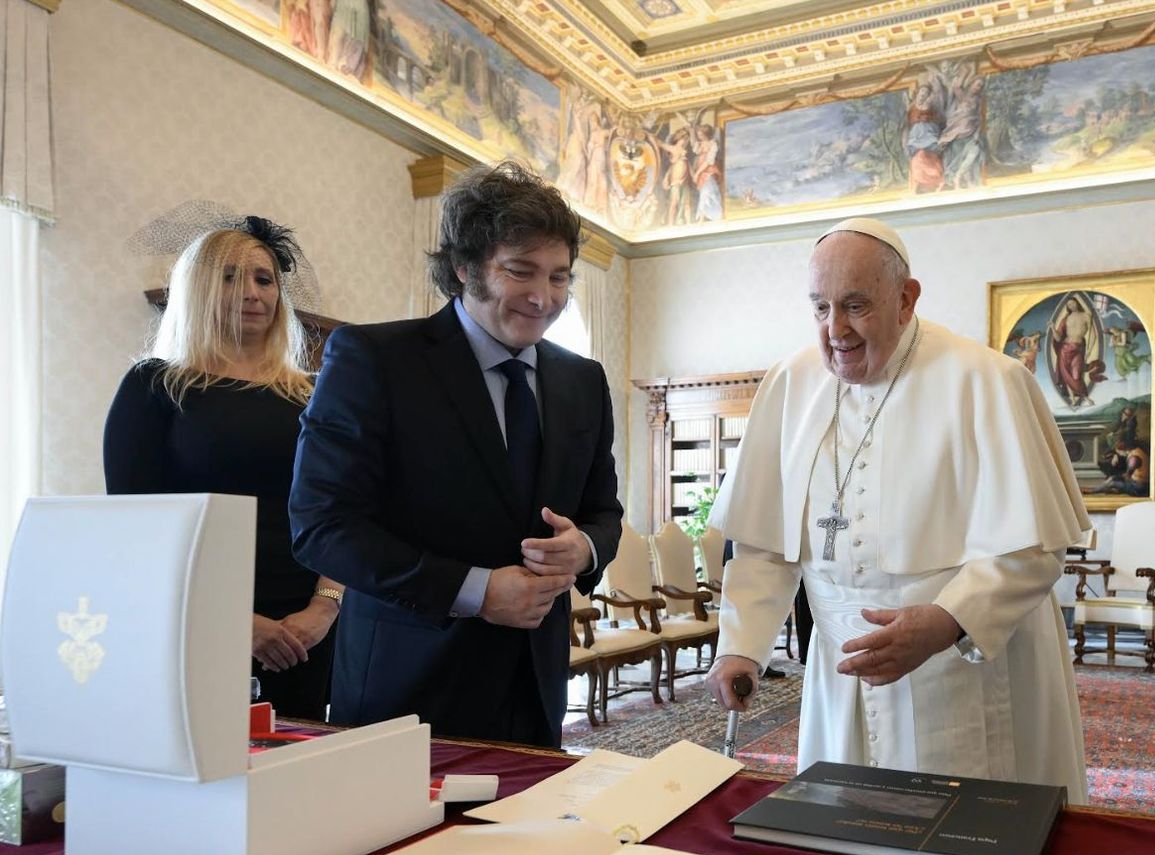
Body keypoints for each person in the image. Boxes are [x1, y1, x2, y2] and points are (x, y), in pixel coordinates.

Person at [705, 217, 1092, 795]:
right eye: (819, 307)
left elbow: (1035, 549)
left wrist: (946, 621)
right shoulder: (790, 384)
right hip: (842, 671)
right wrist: (742, 645)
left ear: (906, 298)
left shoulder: (987, 380)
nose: (835, 329)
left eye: (856, 306)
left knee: (968, 843)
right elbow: (764, 542)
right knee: (846, 828)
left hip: (961, 665)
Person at [289, 162, 623, 747]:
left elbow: (605, 512)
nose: (544, 298)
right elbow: (322, 526)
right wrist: (474, 590)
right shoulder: (375, 360)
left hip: (538, 687)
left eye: (560, 277)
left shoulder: (584, 380)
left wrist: (584, 548)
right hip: (406, 689)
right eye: (521, 271)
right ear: (464, 267)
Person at [105, 220, 343, 720]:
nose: (252, 293)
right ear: (197, 288)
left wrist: (324, 607)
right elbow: (138, 530)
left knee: (294, 779)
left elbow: (344, 509)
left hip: (306, 628)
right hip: (196, 619)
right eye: (230, 277)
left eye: (264, 279)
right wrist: (241, 623)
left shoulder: (317, 392)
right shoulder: (155, 385)